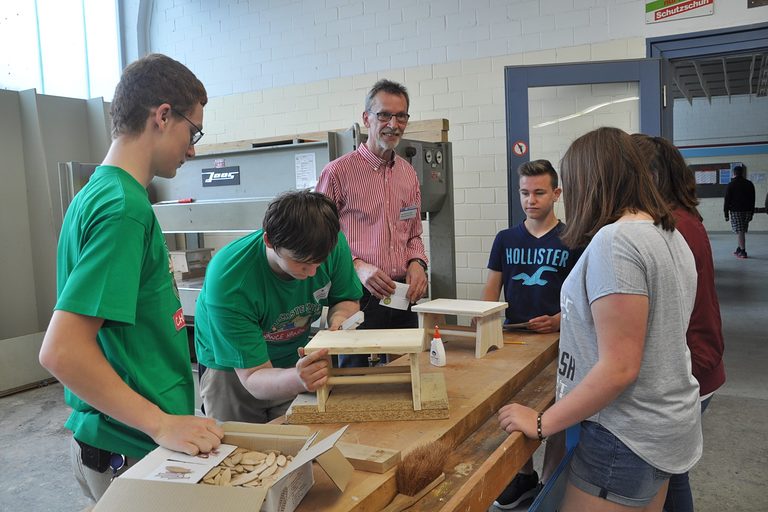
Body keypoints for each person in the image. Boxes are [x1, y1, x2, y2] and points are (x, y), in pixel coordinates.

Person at [38, 54, 224, 503]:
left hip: (120, 440)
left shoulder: (96, 194)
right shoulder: (123, 208)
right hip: (132, 448)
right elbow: (62, 351)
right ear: (163, 116)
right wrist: (161, 422)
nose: (193, 148)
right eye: (192, 131)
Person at [498, 127, 702, 512]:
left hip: (625, 436)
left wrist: (543, 423)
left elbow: (620, 368)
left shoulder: (617, 242)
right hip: (665, 427)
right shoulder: (668, 233)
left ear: (590, 181)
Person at [194, 190, 363, 423]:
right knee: (239, 450)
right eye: (301, 263)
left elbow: (346, 299)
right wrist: (298, 378)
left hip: (293, 358)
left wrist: (339, 321)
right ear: (269, 242)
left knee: (296, 445)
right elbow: (252, 377)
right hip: (232, 370)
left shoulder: (329, 244)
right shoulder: (230, 279)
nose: (313, 272)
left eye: (319, 262)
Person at [632, 134, 726, 512]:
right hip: (699, 362)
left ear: (650, 177)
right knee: (672, 474)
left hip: (690, 367)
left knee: (665, 476)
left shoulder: (672, 227)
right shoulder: (681, 218)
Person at [482, 160, 580, 509]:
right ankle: (522, 475)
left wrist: (557, 321)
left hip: (558, 342)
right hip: (513, 339)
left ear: (556, 193)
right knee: (511, 407)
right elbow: (489, 293)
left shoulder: (572, 239)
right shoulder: (506, 239)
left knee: (556, 411)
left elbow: (581, 300)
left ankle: (549, 483)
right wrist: (486, 328)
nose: (530, 200)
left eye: (539, 192)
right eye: (524, 193)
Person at [316, 79, 428, 367]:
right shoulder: (338, 173)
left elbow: (413, 232)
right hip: (356, 293)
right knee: (355, 381)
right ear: (366, 118)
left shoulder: (408, 174)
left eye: (401, 115)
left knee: (406, 372)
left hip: (402, 295)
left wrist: (417, 263)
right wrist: (357, 266)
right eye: (384, 115)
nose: (393, 123)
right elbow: (316, 239)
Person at [723, 164, 755, 258]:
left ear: (734, 173)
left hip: (736, 211)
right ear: (743, 173)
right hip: (748, 211)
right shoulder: (749, 184)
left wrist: (726, 214)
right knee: (742, 230)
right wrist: (752, 212)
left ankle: (743, 251)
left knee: (740, 231)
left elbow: (727, 200)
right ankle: (739, 248)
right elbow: (753, 199)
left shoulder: (731, 185)